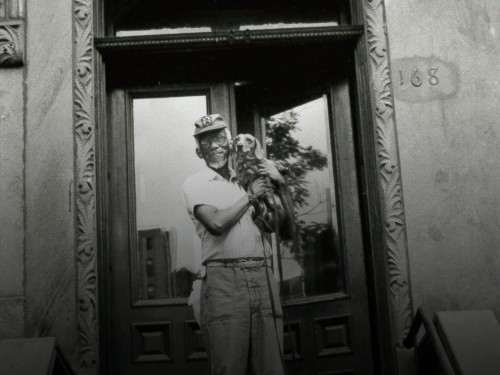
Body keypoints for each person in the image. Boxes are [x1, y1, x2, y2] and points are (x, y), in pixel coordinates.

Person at [182, 114, 296, 375]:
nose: (215, 145)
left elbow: (286, 229)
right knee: (230, 367)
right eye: (206, 141)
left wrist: (281, 184)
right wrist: (250, 196)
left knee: (271, 367)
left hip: (262, 275)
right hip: (225, 279)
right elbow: (216, 223)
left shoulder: (248, 179)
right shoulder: (197, 183)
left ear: (231, 143)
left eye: (220, 137)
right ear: (198, 151)